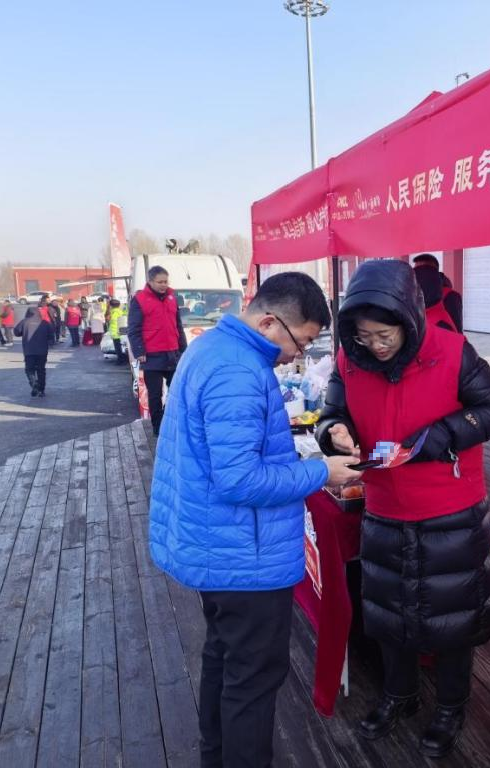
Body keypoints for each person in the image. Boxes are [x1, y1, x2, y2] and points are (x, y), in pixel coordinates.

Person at [148, 272, 362, 768]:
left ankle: (216, 757)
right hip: (244, 557)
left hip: (217, 546)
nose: (297, 356)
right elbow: (240, 479)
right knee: (252, 682)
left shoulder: (212, 348)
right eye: (300, 342)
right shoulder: (239, 371)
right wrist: (321, 471)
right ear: (269, 323)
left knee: (224, 661)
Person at [315, 259, 490, 758]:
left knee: (453, 620)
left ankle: (450, 706)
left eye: (385, 335)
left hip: (450, 509)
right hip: (384, 507)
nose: (375, 345)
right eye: (365, 336)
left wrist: (446, 433)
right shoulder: (349, 357)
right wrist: (334, 432)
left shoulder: (452, 350)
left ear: (409, 317)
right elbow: (332, 412)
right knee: (389, 615)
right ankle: (398, 695)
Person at [128, 266, 188, 437]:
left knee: (177, 391)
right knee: (154, 395)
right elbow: (133, 329)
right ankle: (158, 428)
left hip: (173, 353)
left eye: (165, 281)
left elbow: (178, 326)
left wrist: (184, 349)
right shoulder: (140, 300)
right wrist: (139, 350)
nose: (163, 285)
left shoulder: (172, 297)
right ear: (150, 281)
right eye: (160, 282)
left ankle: (171, 421)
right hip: (151, 355)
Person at [412, 253, 462, 332]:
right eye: (415, 270)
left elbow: (458, 329)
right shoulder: (416, 294)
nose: (417, 275)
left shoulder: (451, 296)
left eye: (421, 271)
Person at [14, 307, 54, 397]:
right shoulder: (45, 323)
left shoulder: (24, 322)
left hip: (29, 351)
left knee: (29, 369)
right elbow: (51, 336)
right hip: (42, 351)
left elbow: (16, 332)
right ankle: (41, 390)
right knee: (41, 370)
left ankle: (34, 384)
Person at [108, 299, 128, 364]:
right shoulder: (120, 311)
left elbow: (113, 322)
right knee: (120, 346)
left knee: (117, 347)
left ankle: (120, 360)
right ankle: (121, 359)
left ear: (111, 306)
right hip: (120, 331)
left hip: (115, 332)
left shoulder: (114, 312)